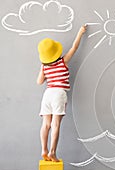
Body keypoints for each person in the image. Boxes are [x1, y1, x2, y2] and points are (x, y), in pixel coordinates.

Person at [36, 25, 87, 162]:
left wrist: (42, 68)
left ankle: (43, 149)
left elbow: (40, 81)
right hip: (59, 93)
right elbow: (74, 48)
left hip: (47, 94)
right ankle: (52, 151)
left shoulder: (45, 67)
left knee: (46, 124)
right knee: (56, 124)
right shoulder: (62, 62)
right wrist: (80, 32)